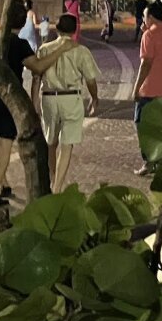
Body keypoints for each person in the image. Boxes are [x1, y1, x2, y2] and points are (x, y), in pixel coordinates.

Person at [0, 4, 71, 206]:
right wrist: (60, 50)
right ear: (23, 22)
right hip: (8, 97)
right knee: (5, 143)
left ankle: (3, 183)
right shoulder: (19, 44)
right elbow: (38, 66)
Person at [32, 14, 101, 193]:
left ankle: (53, 177)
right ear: (75, 30)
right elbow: (91, 80)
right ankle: (57, 187)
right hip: (71, 98)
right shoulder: (81, 51)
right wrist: (94, 98)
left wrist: (34, 102)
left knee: (51, 142)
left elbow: (36, 77)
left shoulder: (44, 49)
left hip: (48, 97)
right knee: (67, 144)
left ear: (57, 28)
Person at [131, 2, 162, 175]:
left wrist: (136, 88)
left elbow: (146, 63)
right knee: (161, 127)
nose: (143, 19)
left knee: (141, 124)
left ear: (150, 17)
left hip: (149, 88)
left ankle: (149, 161)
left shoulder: (149, 35)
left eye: (144, 16)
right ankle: (161, 160)